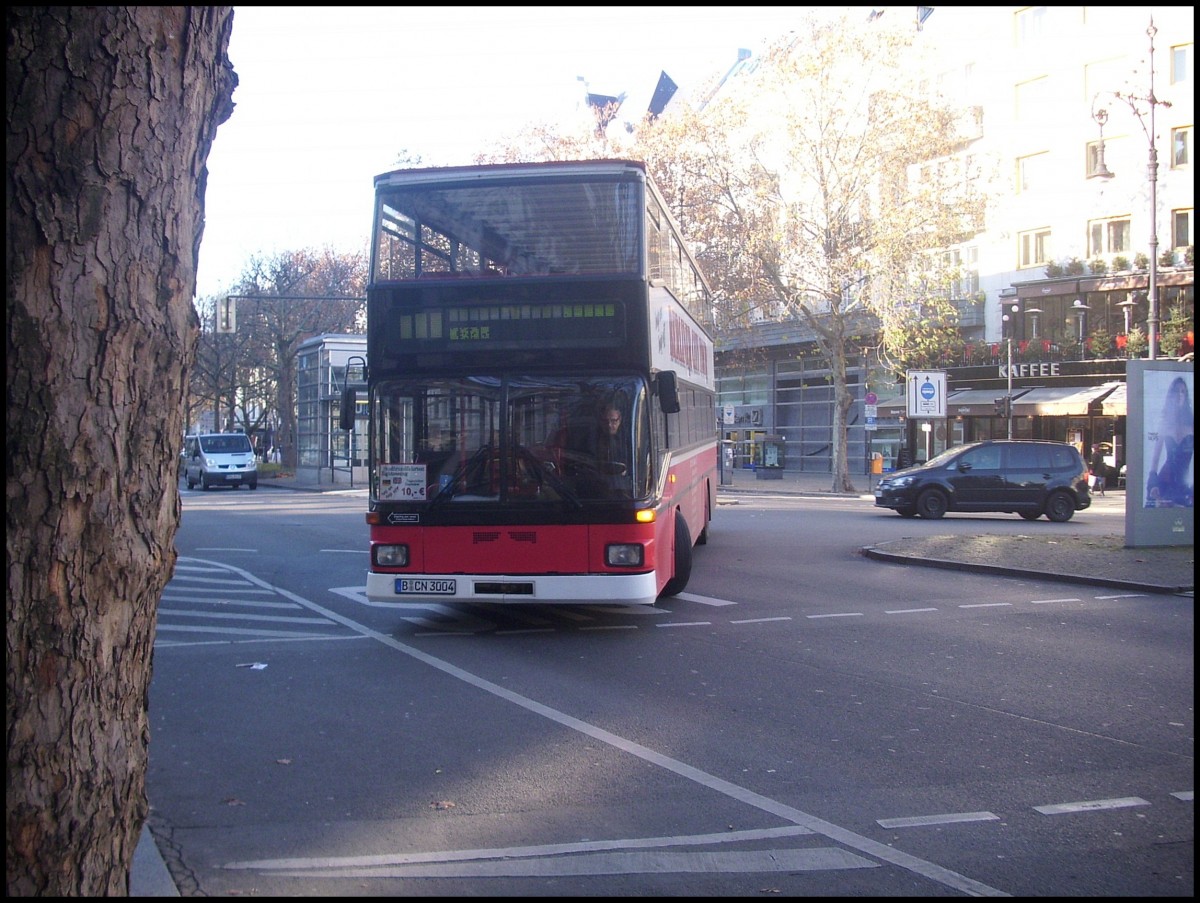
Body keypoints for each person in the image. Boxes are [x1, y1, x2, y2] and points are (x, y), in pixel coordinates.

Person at [1145, 375, 1194, 508]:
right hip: (1165, 480)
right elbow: (1155, 460)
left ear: (1186, 395)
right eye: (1177, 391)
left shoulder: (1192, 424)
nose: (1180, 395)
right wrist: (1153, 484)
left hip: (1185, 483)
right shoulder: (1165, 424)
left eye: (1183, 391)